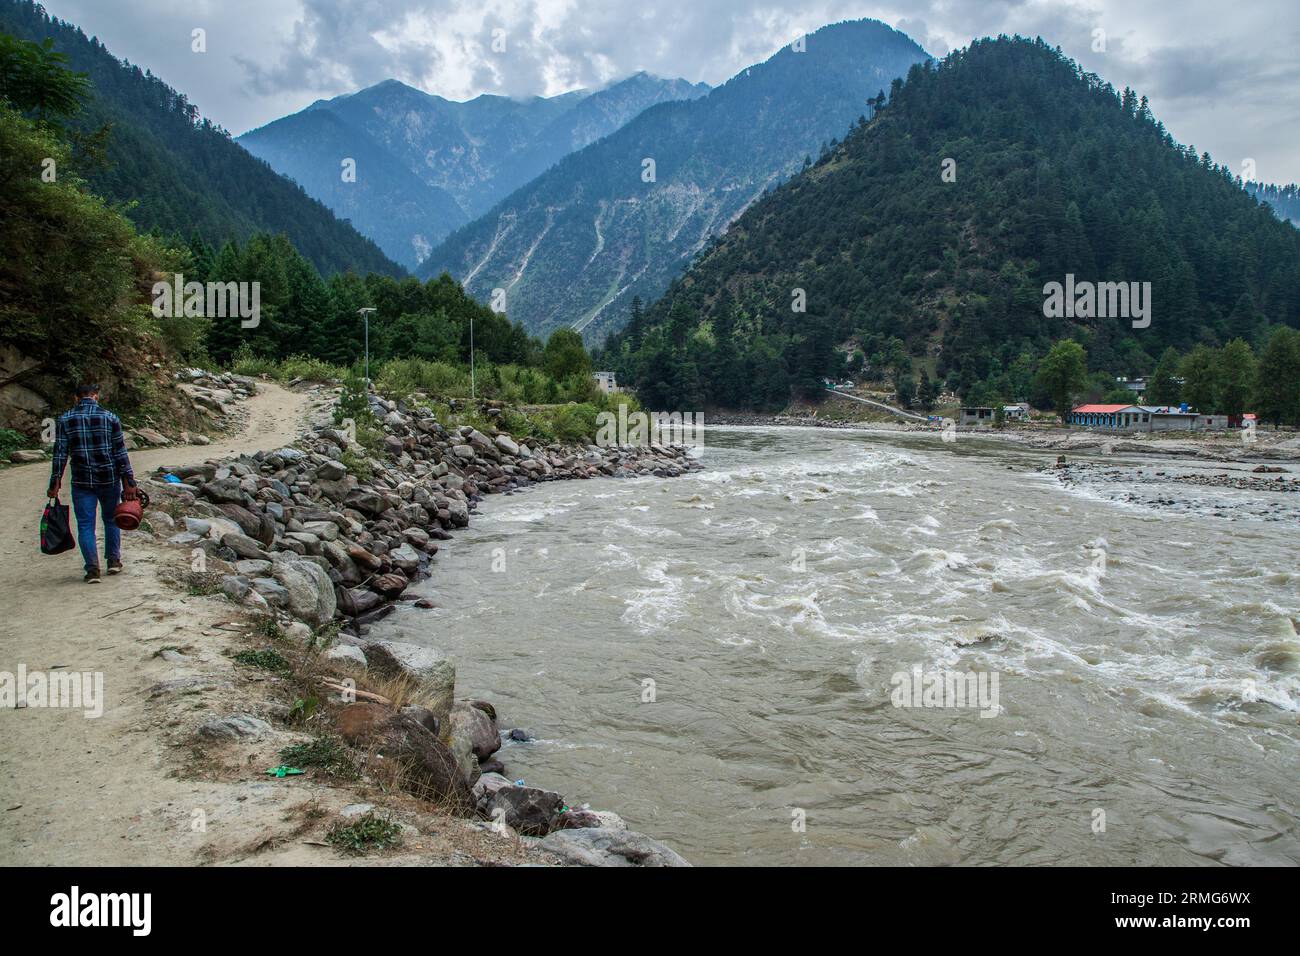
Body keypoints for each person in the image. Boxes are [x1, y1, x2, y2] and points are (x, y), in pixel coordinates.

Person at [46, 383, 138, 583]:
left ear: (76, 398)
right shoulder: (110, 417)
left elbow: (60, 455)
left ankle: (92, 570)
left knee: (86, 525)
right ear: (96, 396)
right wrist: (129, 481)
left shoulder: (65, 419)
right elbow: (120, 453)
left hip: (81, 480)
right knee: (111, 519)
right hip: (109, 478)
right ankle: (113, 561)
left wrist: (55, 483)